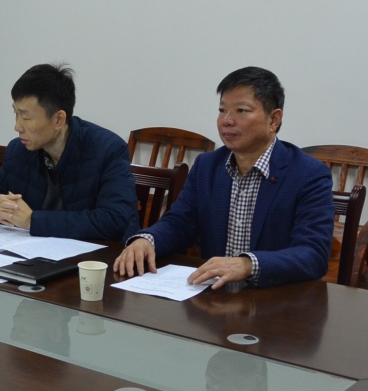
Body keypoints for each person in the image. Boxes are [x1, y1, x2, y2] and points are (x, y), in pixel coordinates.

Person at [113, 67, 332, 290]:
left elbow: (313, 253)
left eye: (241, 111)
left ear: (274, 119)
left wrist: (248, 264)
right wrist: (147, 240)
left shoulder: (308, 174)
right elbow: (179, 223)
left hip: (274, 299)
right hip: (214, 297)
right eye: (222, 110)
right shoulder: (207, 166)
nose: (227, 121)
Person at [0, 63, 137, 241]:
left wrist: (32, 221)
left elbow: (113, 220)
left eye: (26, 117)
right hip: (37, 251)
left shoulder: (107, 150)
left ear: (58, 120)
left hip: (99, 255)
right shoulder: (19, 150)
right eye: (15, 114)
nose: (17, 126)